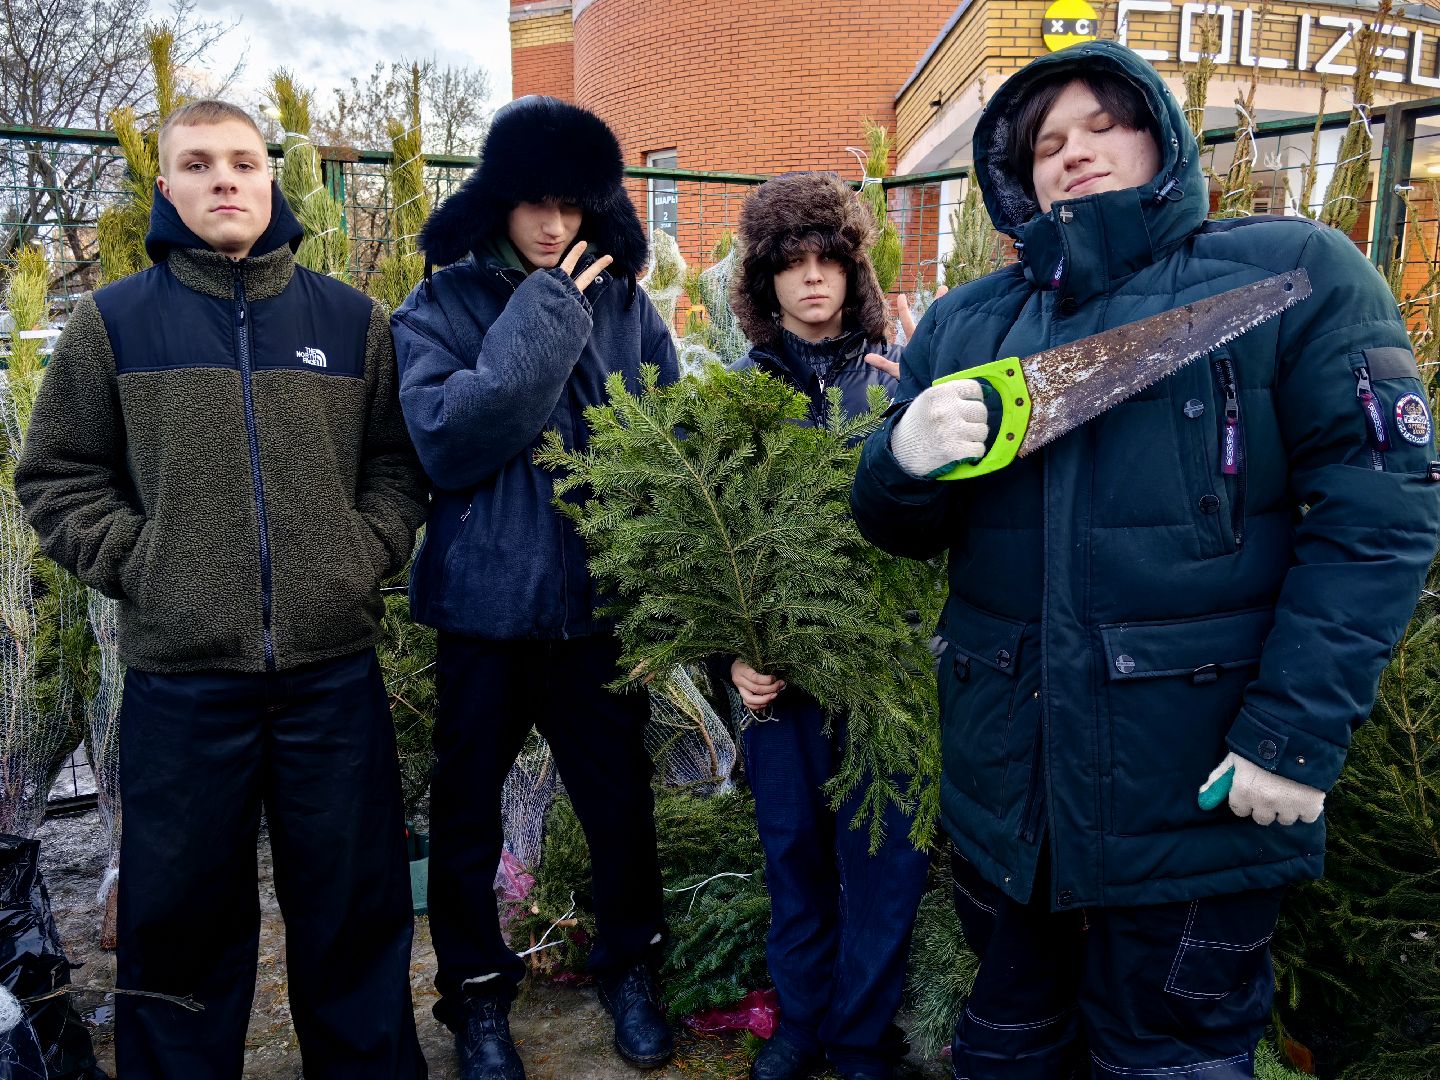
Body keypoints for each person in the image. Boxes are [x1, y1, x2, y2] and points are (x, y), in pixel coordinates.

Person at [850, 40, 1440, 1080]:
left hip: (1194, 791)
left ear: (1161, 136)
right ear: (1019, 176)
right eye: (1046, 144)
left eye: (1103, 125)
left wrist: (1292, 738)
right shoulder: (967, 323)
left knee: (1170, 1061)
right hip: (1009, 796)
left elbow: (1379, 517)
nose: (1073, 154)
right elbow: (900, 531)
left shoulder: (1291, 275)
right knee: (1009, 1048)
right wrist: (899, 459)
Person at [15, 101, 429, 1079]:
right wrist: (148, 565)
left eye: (243, 161)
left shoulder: (352, 322)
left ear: (271, 178)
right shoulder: (115, 324)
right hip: (183, 683)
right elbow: (58, 476)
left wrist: (359, 552)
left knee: (355, 911)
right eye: (198, 164)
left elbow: (396, 465)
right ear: (165, 186)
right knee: (180, 926)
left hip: (332, 676)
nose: (225, 179)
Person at [390, 96, 680, 1080]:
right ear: (498, 201)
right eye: (534, 203)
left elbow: (667, 444)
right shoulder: (442, 305)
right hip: (483, 607)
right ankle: (476, 998)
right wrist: (551, 309)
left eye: (573, 204)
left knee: (620, 804)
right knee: (466, 817)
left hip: (597, 611)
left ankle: (631, 967)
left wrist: (656, 584)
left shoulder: (627, 305)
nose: (554, 224)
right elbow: (451, 438)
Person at [725, 171, 931, 1080]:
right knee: (794, 856)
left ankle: (859, 1039)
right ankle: (800, 1026)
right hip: (782, 683)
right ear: (765, 278)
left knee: (884, 861)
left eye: (828, 259)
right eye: (792, 262)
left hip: (886, 670)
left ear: (852, 269)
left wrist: (926, 401)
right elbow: (709, 546)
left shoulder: (897, 379)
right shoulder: (737, 393)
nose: (812, 278)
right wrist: (733, 658)